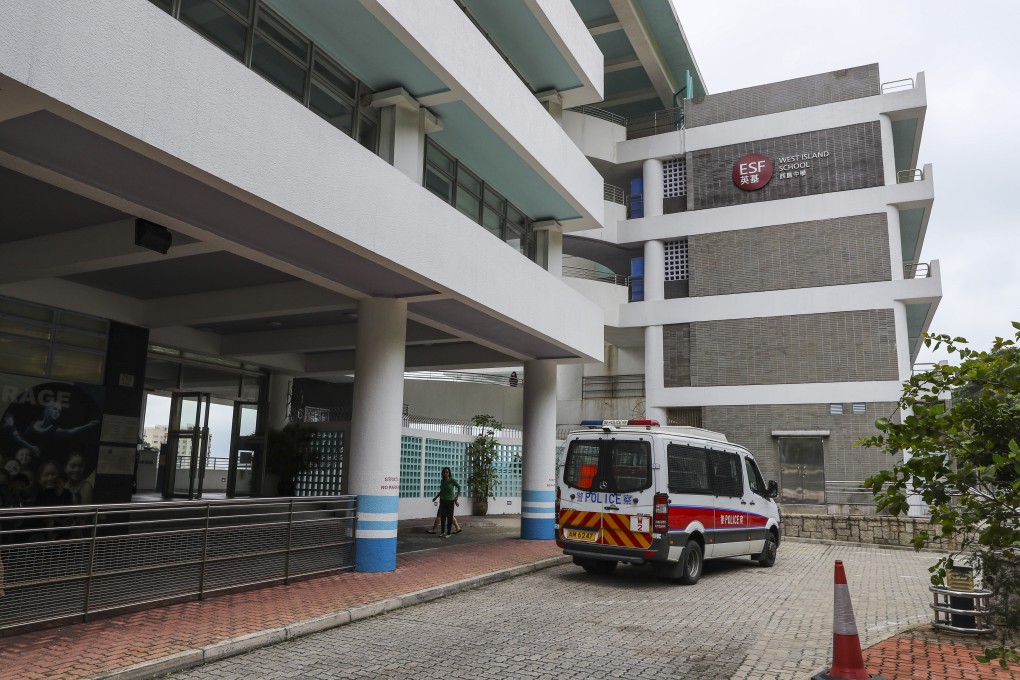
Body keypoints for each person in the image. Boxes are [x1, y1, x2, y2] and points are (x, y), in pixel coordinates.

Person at [431, 467, 460, 538]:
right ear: (443, 473)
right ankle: (443, 532)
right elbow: (442, 491)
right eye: (444, 472)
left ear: (449, 473)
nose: (445, 473)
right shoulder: (442, 481)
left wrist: (456, 497)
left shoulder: (452, 480)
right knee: (443, 517)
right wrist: (436, 497)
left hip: (450, 501)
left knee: (449, 517)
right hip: (443, 501)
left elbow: (459, 487)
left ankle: (449, 533)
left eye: (447, 472)